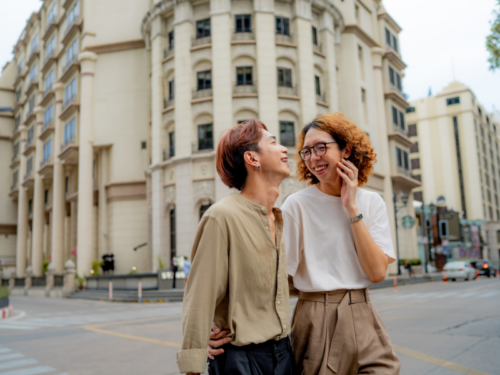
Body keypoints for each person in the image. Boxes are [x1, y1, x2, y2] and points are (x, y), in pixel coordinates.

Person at [209, 113, 401, 374]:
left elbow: (377, 272)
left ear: (346, 149)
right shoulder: (296, 206)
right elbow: (274, 281)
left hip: (364, 312)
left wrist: (350, 207)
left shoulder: (372, 202)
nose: (313, 158)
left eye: (321, 147)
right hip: (315, 317)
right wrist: (221, 326)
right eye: (307, 152)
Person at [177, 119, 295, 375]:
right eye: (274, 143)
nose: (284, 149)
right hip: (241, 361)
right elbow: (199, 298)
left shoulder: (277, 217)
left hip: (284, 355)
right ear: (253, 158)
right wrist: (193, 365)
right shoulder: (221, 216)